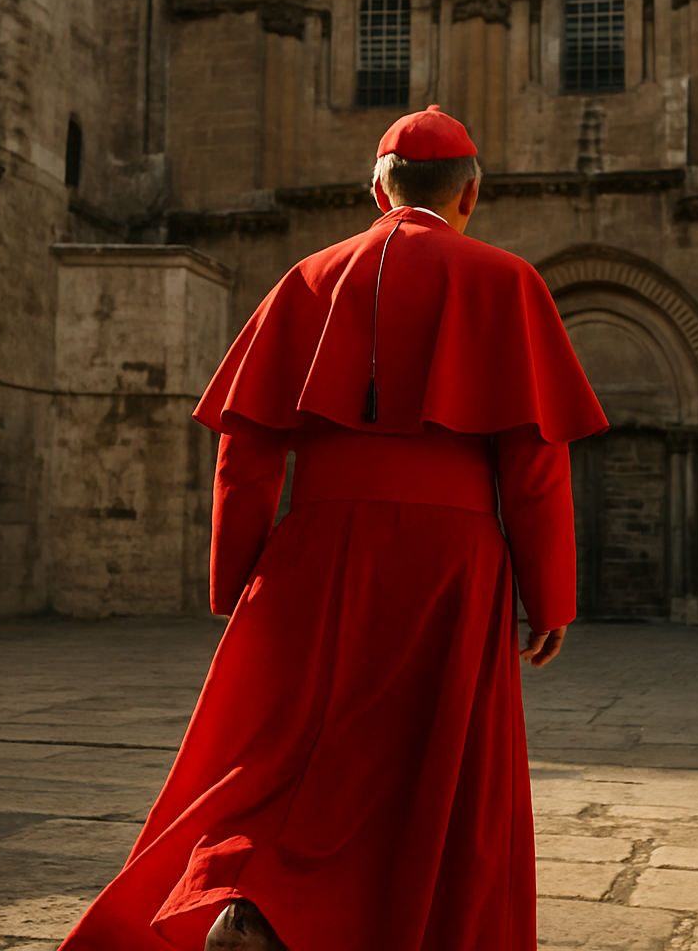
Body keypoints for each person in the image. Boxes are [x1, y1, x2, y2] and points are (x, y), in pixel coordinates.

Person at [58, 106, 607, 951]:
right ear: (470, 195)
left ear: (374, 190)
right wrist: (550, 594)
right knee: (424, 767)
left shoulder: (306, 279)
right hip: (451, 564)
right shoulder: (507, 281)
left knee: (280, 759)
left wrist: (237, 576)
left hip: (313, 551)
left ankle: (250, 902)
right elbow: (535, 463)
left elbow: (246, 450)